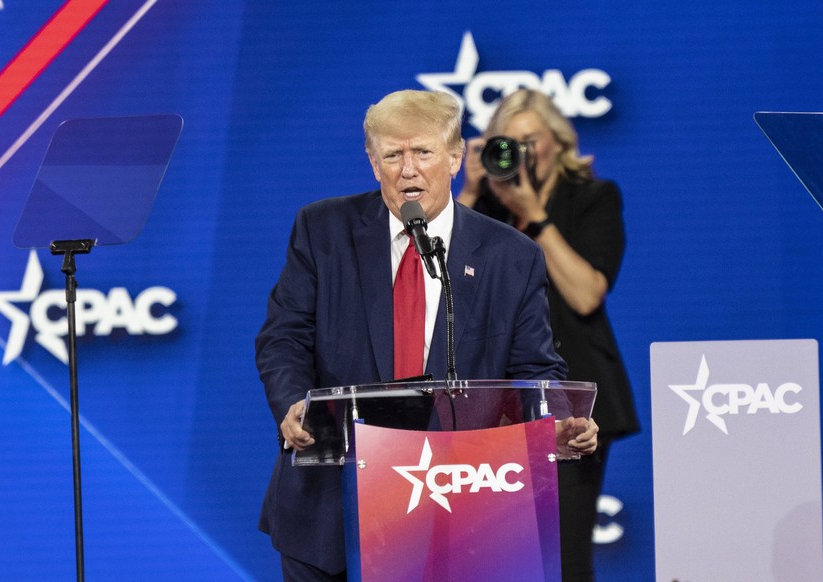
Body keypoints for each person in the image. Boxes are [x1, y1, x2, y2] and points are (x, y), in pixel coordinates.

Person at [255, 89, 600, 581]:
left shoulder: (511, 255)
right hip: (335, 504)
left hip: (461, 503)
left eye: (423, 152)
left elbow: (534, 368)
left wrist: (558, 419)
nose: (407, 169)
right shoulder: (323, 230)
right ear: (374, 164)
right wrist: (293, 403)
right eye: (392, 155)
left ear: (456, 156)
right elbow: (284, 337)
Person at [457, 88, 640, 582]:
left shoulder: (593, 198)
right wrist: (469, 195)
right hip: (494, 403)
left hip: (572, 404)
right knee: (491, 554)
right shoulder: (482, 213)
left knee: (563, 554)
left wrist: (535, 215)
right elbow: (439, 289)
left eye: (530, 140)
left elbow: (585, 294)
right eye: (505, 143)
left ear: (558, 143)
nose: (518, 153)